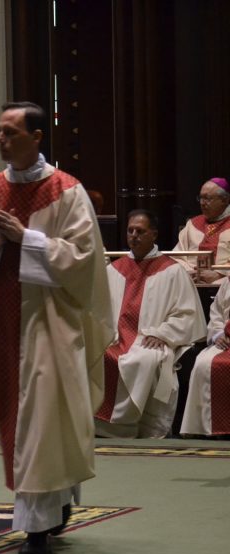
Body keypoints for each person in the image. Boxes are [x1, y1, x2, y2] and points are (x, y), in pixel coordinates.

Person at [0, 101, 114, 554]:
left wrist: (30, 239)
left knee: (42, 423)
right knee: (21, 425)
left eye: (11, 133)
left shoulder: (66, 191)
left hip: (48, 323)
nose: (1, 140)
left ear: (37, 137)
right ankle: (55, 506)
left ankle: (37, 527)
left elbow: (84, 259)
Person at [94, 210, 205, 438]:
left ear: (153, 234)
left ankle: (133, 427)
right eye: (130, 231)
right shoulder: (114, 270)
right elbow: (99, 311)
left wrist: (164, 333)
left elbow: (187, 315)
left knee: (142, 359)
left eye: (140, 231)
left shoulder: (173, 271)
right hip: (117, 338)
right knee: (94, 356)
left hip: (152, 339)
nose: (134, 236)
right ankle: (102, 427)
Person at [181, 280, 230, 436]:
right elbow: (217, 312)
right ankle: (203, 429)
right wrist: (218, 334)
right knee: (203, 364)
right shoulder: (228, 281)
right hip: (226, 341)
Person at [172, 177, 230, 284]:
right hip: (191, 282)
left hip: (223, 283)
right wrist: (188, 273)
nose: (202, 203)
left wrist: (219, 273)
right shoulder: (192, 224)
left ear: (225, 200)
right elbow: (177, 256)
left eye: (208, 198)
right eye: (201, 198)